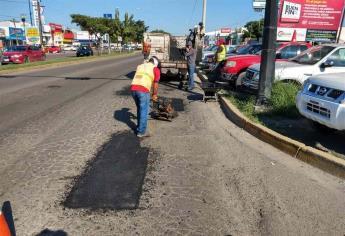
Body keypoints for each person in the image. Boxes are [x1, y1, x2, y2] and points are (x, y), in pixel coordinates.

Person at [131, 57, 160, 138]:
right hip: (143, 90)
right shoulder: (155, 69)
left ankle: (139, 127)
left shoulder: (140, 66)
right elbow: (156, 84)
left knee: (140, 109)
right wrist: (154, 94)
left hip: (133, 89)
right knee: (144, 110)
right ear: (155, 64)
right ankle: (141, 132)